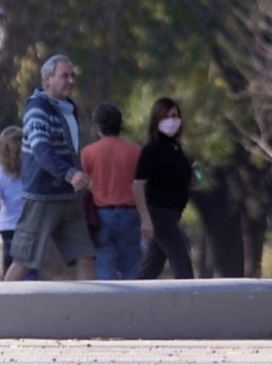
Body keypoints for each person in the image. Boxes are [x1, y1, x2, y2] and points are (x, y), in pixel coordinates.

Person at [3, 54, 96, 281]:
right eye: (64, 76)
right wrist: (70, 173)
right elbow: (41, 151)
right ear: (47, 79)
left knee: (85, 256)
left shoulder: (68, 108)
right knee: (24, 261)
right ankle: (0, 299)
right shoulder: (37, 109)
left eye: (72, 76)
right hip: (42, 198)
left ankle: (91, 302)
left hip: (69, 197)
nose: (71, 80)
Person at [132, 97, 195, 279]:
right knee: (181, 260)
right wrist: (145, 218)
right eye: (165, 117)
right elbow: (137, 185)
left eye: (174, 116)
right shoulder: (151, 149)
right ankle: (189, 294)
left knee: (152, 267)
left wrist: (196, 174)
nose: (171, 120)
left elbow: (195, 181)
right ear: (156, 120)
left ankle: (134, 294)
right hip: (159, 213)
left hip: (173, 213)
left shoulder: (177, 149)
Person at [81, 103, 142, 279]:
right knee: (131, 267)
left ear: (98, 126)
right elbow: (141, 185)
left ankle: (110, 297)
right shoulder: (135, 151)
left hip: (102, 216)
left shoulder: (88, 152)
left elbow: (82, 184)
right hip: (130, 213)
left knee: (105, 268)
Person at [0, 126, 38, 279]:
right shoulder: (33, 170)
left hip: (4, 230)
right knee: (30, 275)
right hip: (29, 229)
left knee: (7, 276)